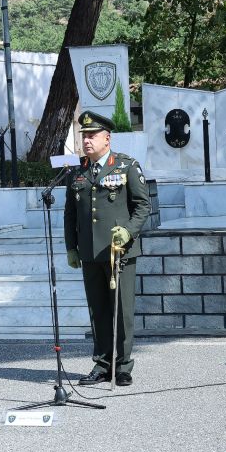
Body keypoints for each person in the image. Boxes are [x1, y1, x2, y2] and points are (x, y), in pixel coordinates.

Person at [64, 111, 151, 387]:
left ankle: (123, 366)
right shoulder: (77, 172)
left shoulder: (126, 166)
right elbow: (70, 214)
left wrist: (128, 231)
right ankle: (102, 364)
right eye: (84, 136)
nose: (86, 141)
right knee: (98, 310)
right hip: (90, 253)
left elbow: (143, 205)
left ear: (107, 138)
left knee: (122, 312)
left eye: (92, 136)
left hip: (118, 252)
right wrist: (72, 248)